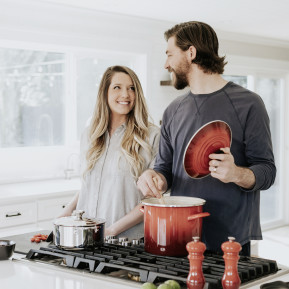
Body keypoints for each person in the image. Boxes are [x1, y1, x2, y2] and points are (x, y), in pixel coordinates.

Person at [137, 21, 276, 256]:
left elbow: (267, 171)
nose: (166, 64)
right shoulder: (173, 110)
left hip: (230, 241)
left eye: (170, 54)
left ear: (191, 53)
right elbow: (164, 169)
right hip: (179, 237)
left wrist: (236, 174)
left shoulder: (249, 103)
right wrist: (154, 178)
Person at [60, 65, 160, 239]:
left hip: (128, 242)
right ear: (104, 93)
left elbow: (153, 200)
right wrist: (64, 216)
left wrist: (111, 230)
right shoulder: (90, 134)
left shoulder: (151, 136)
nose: (125, 95)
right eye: (117, 87)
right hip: (88, 239)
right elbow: (89, 185)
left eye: (132, 88)